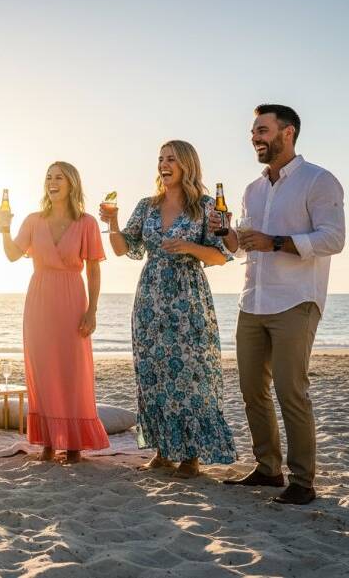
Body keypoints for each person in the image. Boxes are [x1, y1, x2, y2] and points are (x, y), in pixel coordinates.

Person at [217, 105, 345, 505]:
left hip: (296, 300)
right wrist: (226, 234)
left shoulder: (319, 181)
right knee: (252, 391)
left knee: (292, 391)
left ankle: (303, 481)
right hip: (252, 301)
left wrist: (274, 241)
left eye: (262, 130)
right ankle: (269, 469)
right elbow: (243, 247)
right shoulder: (252, 190)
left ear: (287, 133)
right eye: (253, 132)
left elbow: (333, 238)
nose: (255, 138)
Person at [100, 140, 237, 478]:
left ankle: (191, 456)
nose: (164, 164)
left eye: (171, 159)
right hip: (150, 297)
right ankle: (162, 451)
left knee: (191, 374)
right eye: (161, 158)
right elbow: (122, 248)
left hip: (188, 296)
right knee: (153, 372)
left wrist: (189, 247)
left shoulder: (205, 206)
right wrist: (113, 222)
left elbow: (222, 256)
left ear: (187, 164)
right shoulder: (146, 206)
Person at [0, 161, 109, 464]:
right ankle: (47, 441)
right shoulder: (33, 221)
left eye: (59, 177)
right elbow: (12, 255)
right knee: (43, 370)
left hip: (72, 300)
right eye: (48, 177)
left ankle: (73, 445)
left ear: (72, 183)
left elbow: (94, 271)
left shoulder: (86, 223)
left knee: (73, 371)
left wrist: (92, 311)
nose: (52, 182)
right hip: (39, 302)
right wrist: (4, 229)